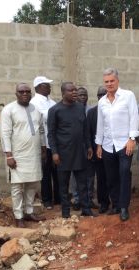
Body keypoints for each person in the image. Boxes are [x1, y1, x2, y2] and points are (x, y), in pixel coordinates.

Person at [96, 67, 139, 221]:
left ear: (117, 81)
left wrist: (132, 139)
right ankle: (115, 205)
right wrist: (99, 144)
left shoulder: (128, 96)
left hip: (124, 144)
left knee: (124, 174)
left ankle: (123, 207)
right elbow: (100, 125)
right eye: (106, 82)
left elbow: (134, 117)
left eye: (112, 81)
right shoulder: (102, 102)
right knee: (111, 176)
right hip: (108, 145)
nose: (109, 84)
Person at [0, 83, 46, 228]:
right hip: (17, 155)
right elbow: (5, 134)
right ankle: (18, 216)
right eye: (21, 91)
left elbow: (41, 131)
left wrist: (44, 148)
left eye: (27, 91)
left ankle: (29, 211)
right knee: (17, 187)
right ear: (16, 93)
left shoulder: (36, 109)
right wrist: (8, 155)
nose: (25, 93)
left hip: (34, 154)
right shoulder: (9, 110)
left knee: (33, 184)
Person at [47, 82, 95, 219]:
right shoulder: (55, 110)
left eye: (75, 90)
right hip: (63, 154)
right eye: (71, 90)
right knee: (63, 186)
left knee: (83, 183)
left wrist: (89, 146)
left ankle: (86, 209)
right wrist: (54, 152)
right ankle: (66, 212)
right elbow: (51, 133)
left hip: (80, 152)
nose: (74, 92)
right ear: (63, 93)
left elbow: (85, 129)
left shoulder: (80, 108)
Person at [31, 76, 59, 210]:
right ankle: (47, 200)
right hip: (43, 143)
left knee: (58, 171)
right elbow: (42, 119)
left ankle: (58, 198)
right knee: (46, 172)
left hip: (54, 142)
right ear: (38, 87)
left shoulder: (52, 102)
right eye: (46, 85)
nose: (49, 87)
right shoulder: (34, 102)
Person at [87, 86, 110, 213]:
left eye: (104, 94)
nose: (101, 97)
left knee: (112, 177)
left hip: (112, 151)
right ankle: (104, 203)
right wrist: (91, 148)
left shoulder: (114, 110)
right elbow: (89, 133)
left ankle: (116, 202)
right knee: (101, 178)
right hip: (98, 152)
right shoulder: (91, 113)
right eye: (99, 95)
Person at [70, 86, 92, 210]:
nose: (83, 97)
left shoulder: (91, 110)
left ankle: (88, 198)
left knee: (89, 174)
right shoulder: (72, 110)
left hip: (88, 147)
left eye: (85, 95)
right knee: (75, 175)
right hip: (75, 148)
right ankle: (77, 198)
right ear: (76, 96)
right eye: (80, 95)